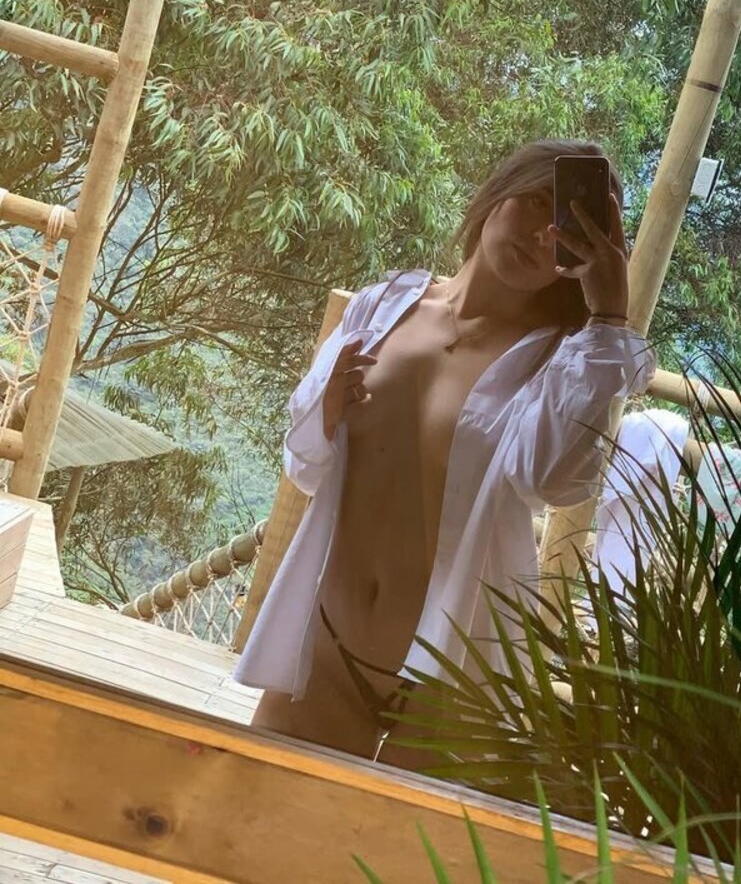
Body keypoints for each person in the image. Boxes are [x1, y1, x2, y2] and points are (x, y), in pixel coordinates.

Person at [234, 139, 656, 767]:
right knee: (259, 818)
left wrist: (608, 317)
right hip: (325, 651)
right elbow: (305, 465)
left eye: (566, 229)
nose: (541, 235)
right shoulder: (383, 307)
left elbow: (555, 480)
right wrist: (324, 413)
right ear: (498, 191)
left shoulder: (559, 362)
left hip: (454, 678)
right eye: (535, 202)